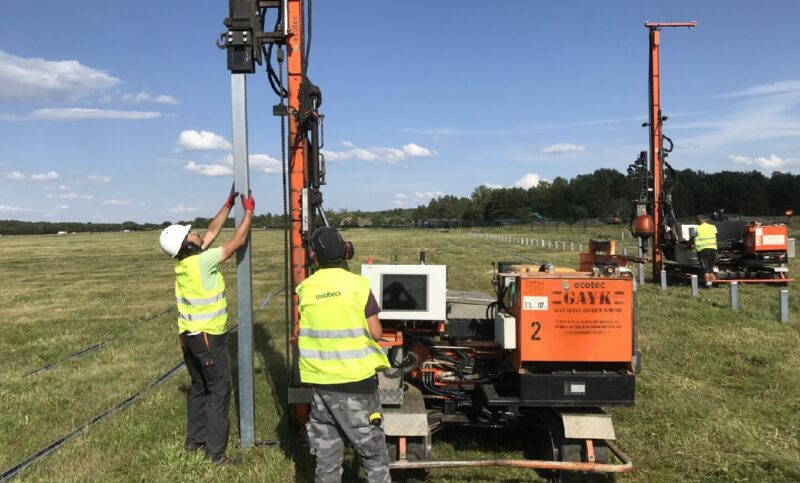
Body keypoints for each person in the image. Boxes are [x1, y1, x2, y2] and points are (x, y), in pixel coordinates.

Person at [158, 189, 255, 465]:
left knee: (199, 387)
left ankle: (194, 441)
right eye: (191, 234)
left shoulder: (186, 263)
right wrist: (248, 212)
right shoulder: (203, 262)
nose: (197, 233)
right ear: (187, 245)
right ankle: (215, 453)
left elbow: (212, 230)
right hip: (208, 337)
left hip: (188, 339)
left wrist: (227, 205)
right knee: (219, 390)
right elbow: (238, 241)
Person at [296, 227, 391, 483]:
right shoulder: (358, 285)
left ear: (313, 256)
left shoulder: (305, 289)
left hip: (321, 387)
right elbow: (375, 332)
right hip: (357, 385)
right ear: (345, 251)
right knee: (373, 457)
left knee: (327, 459)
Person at [692, 214, 718, 287]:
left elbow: (692, 238)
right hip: (713, 249)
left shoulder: (697, 228)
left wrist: (688, 244)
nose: (696, 222)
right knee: (710, 267)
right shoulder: (713, 227)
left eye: (696, 220)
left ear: (700, 220)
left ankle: (708, 284)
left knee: (705, 268)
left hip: (703, 250)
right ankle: (713, 282)